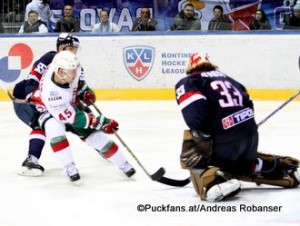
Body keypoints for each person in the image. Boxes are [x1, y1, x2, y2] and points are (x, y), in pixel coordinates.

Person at [175, 52, 300, 202]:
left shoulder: (189, 82)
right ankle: (283, 170)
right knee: (246, 164)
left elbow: (196, 117)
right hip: (250, 138)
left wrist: (207, 137)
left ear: (190, 68)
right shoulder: (231, 80)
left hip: (225, 144)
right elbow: (250, 106)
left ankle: (214, 182)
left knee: (192, 146)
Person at [30, 51, 136, 182]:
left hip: (69, 102)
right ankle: (69, 166)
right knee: (55, 130)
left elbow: (78, 83)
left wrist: (85, 92)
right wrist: (101, 122)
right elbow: (74, 118)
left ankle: (123, 164)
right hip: (48, 108)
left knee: (96, 137)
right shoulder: (52, 93)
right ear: (61, 73)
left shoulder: (64, 69)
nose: (76, 73)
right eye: (72, 71)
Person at [13, 33, 84, 176]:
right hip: (28, 101)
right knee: (42, 123)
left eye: (75, 49)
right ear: (60, 48)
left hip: (52, 102)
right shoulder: (49, 59)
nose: (73, 52)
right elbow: (31, 82)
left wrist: (84, 96)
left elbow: (77, 89)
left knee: (80, 120)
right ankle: (31, 159)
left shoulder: (74, 65)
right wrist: (32, 96)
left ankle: (102, 147)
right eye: (70, 49)